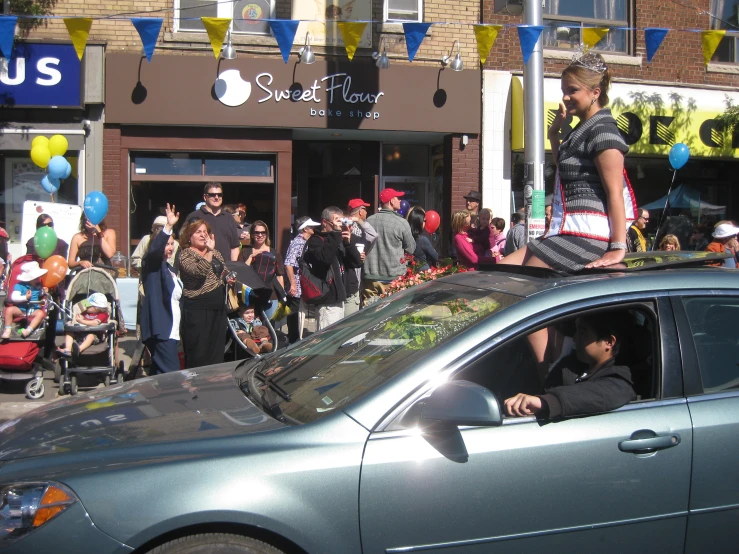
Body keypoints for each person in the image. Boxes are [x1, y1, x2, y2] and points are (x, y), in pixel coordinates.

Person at [502, 51, 634, 272]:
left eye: (572, 90)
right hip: (564, 231)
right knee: (501, 273)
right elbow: (564, 169)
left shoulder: (603, 131)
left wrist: (618, 247)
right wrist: (554, 135)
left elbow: (615, 192)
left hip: (587, 235)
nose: (565, 97)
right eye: (564, 91)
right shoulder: (581, 130)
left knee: (526, 283)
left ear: (595, 92)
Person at [504, 314, 636, 418]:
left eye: (582, 332)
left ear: (609, 342)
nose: (575, 338)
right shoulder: (571, 365)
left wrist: (545, 402)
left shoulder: (619, 378)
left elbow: (601, 394)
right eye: (576, 330)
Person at [139, 203, 183, 374]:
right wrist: (168, 226)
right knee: (172, 375)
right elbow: (155, 251)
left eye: (172, 243)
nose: (170, 247)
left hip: (171, 331)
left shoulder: (169, 268)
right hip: (160, 331)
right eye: (167, 243)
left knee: (160, 377)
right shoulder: (152, 264)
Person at [179, 218, 228, 368]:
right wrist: (210, 251)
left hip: (218, 306)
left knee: (216, 351)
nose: (202, 235)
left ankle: (215, 382)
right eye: (198, 232)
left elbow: (223, 271)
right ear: (189, 236)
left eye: (205, 232)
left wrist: (228, 278)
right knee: (199, 352)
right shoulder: (186, 254)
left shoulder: (216, 252)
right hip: (198, 308)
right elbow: (199, 271)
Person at [304, 206, 362, 330]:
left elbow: (357, 262)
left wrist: (348, 243)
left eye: (341, 221)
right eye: (337, 220)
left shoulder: (338, 239)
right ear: (324, 222)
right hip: (328, 299)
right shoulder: (315, 241)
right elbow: (325, 258)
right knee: (328, 338)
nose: (339, 225)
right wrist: (335, 234)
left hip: (341, 296)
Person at [363, 189, 416, 301]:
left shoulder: (369, 221)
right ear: (391, 201)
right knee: (391, 314)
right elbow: (411, 248)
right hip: (393, 278)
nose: (400, 201)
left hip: (370, 277)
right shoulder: (401, 222)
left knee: (369, 313)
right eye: (398, 198)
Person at [284, 217, 321, 343]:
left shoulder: (303, 242)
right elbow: (288, 263)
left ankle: (294, 338)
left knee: (297, 312)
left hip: (300, 284)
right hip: (296, 285)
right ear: (305, 229)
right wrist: (293, 284)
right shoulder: (298, 242)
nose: (314, 229)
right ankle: (293, 340)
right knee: (294, 312)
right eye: (311, 227)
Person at [239, 220, 285, 320]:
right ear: (252, 234)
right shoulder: (245, 251)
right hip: (251, 295)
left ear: (266, 234)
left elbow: (280, 275)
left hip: (271, 295)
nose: (260, 235)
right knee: (253, 327)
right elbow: (241, 273)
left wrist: (281, 297)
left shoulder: (274, 252)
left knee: (270, 327)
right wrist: (251, 257)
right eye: (257, 232)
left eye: (263, 232)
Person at [184, 182, 240, 262]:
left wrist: (232, 267)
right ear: (205, 197)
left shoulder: (229, 218)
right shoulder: (194, 216)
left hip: (225, 269)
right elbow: (185, 243)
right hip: (201, 268)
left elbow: (234, 246)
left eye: (219, 194)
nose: (216, 197)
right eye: (212, 195)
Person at [345, 198, 377, 315]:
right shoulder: (356, 227)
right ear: (359, 212)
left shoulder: (346, 225)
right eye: (365, 209)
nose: (366, 212)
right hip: (353, 270)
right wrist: (359, 221)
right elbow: (373, 235)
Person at [2, 261, 48, 339]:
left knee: (40, 314)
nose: (38, 279)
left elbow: (39, 294)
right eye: (36, 278)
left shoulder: (37, 286)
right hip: (20, 309)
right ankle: (7, 330)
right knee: (9, 310)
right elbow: (14, 297)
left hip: (33, 309)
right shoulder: (19, 286)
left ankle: (28, 330)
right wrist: (25, 298)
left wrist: (44, 292)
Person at [57, 292, 110, 358]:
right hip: (81, 333)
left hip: (96, 335)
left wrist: (81, 321)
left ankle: (79, 349)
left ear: (96, 308)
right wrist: (79, 317)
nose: (86, 306)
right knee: (69, 332)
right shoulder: (86, 313)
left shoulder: (103, 314)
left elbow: (95, 323)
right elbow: (82, 316)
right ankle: (68, 349)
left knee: (91, 336)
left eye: (88, 305)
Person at [407, 207, 438, 271]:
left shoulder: (405, 238)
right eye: (424, 221)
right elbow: (435, 256)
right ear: (419, 222)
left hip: (410, 271)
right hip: (423, 272)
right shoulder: (423, 240)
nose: (425, 223)